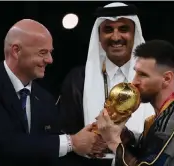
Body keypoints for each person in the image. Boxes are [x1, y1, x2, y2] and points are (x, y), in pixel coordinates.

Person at [0, 19, 99, 166]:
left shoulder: (44, 99)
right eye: (43, 52)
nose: (50, 60)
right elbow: (5, 143)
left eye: (50, 53)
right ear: (16, 51)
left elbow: (48, 151)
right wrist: (72, 142)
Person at [58, 2, 155, 166]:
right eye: (108, 30)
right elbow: (62, 135)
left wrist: (126, 138)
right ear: (99, 36)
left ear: (134, 33)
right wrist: (78, 142)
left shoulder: (153, 80)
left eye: (123, 29)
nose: (116, 37)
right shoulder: (77, 79)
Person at [96, 40, 174, 166]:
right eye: (136, 72)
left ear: (166, 79)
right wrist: (126, 137)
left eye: (143, 75)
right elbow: (148, 152)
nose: (134, 81)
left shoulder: (172, 124)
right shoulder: (167, 113)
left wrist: (113, 141)